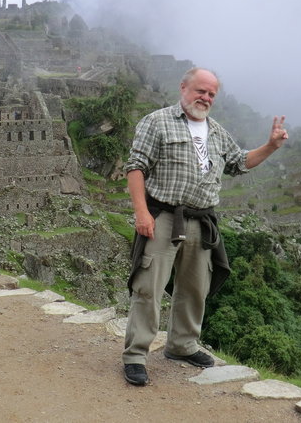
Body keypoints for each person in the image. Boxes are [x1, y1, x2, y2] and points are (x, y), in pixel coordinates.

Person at [122, 67, 289, 386]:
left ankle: (182, 345)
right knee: (148, 287)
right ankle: (135, 356)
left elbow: (239, 162)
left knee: (195, 287)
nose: (205, 97)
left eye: (211, 93)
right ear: (183, 87)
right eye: (200, 90)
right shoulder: (157, 122)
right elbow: (136, 167)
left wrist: (270, 146)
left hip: (202, 219)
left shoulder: (216, 131)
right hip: (164, 216)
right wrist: (142, 212)